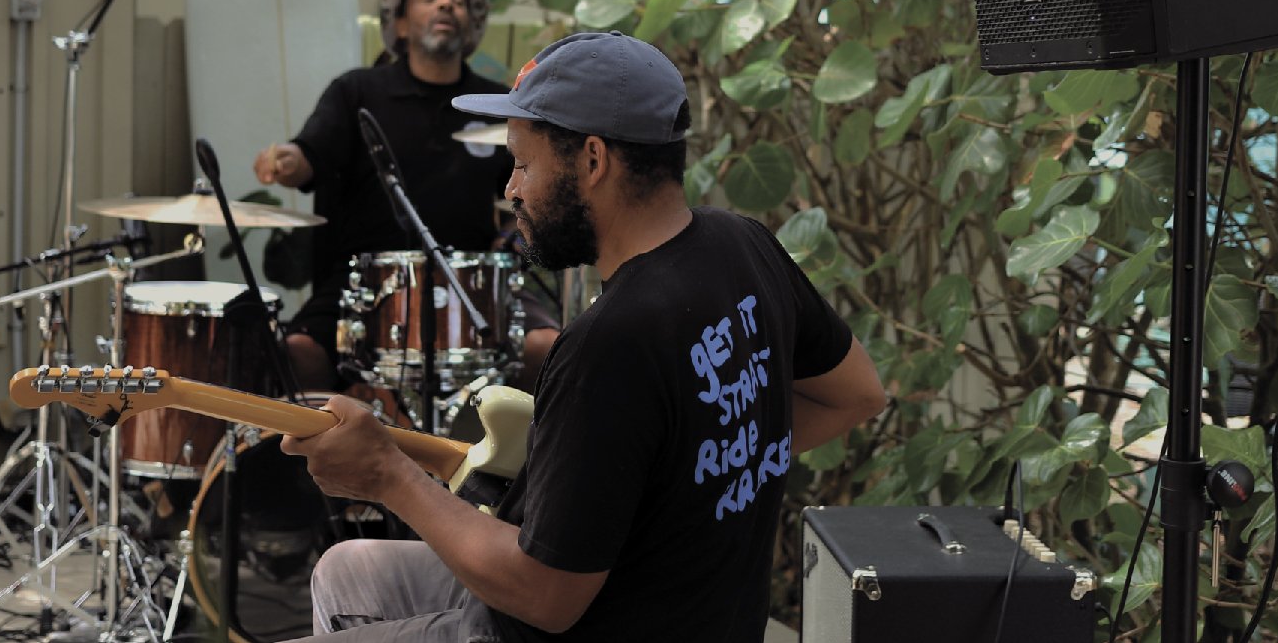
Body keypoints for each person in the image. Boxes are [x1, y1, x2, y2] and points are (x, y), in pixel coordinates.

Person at [277, 31, 890, 641]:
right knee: (348, 569)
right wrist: (679, 491)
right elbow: (856, 394)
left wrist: (387, 473)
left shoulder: (612, 341)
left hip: (554, 624)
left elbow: (544, 597)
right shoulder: (745, 244)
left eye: (523, 163)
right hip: (697, 614)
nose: (511, 189)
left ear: (593, 161)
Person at [252, 0, 560, 395]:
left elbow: (524, 196)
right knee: (296, 355)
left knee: (548, 349)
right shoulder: (356, 91)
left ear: (471, 25)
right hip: (364, 284)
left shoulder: (496, 102)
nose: (446, 4)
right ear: (398, 24)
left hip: (473, 281)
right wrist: (288, 159)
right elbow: (310, 156)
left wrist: (514, 238)